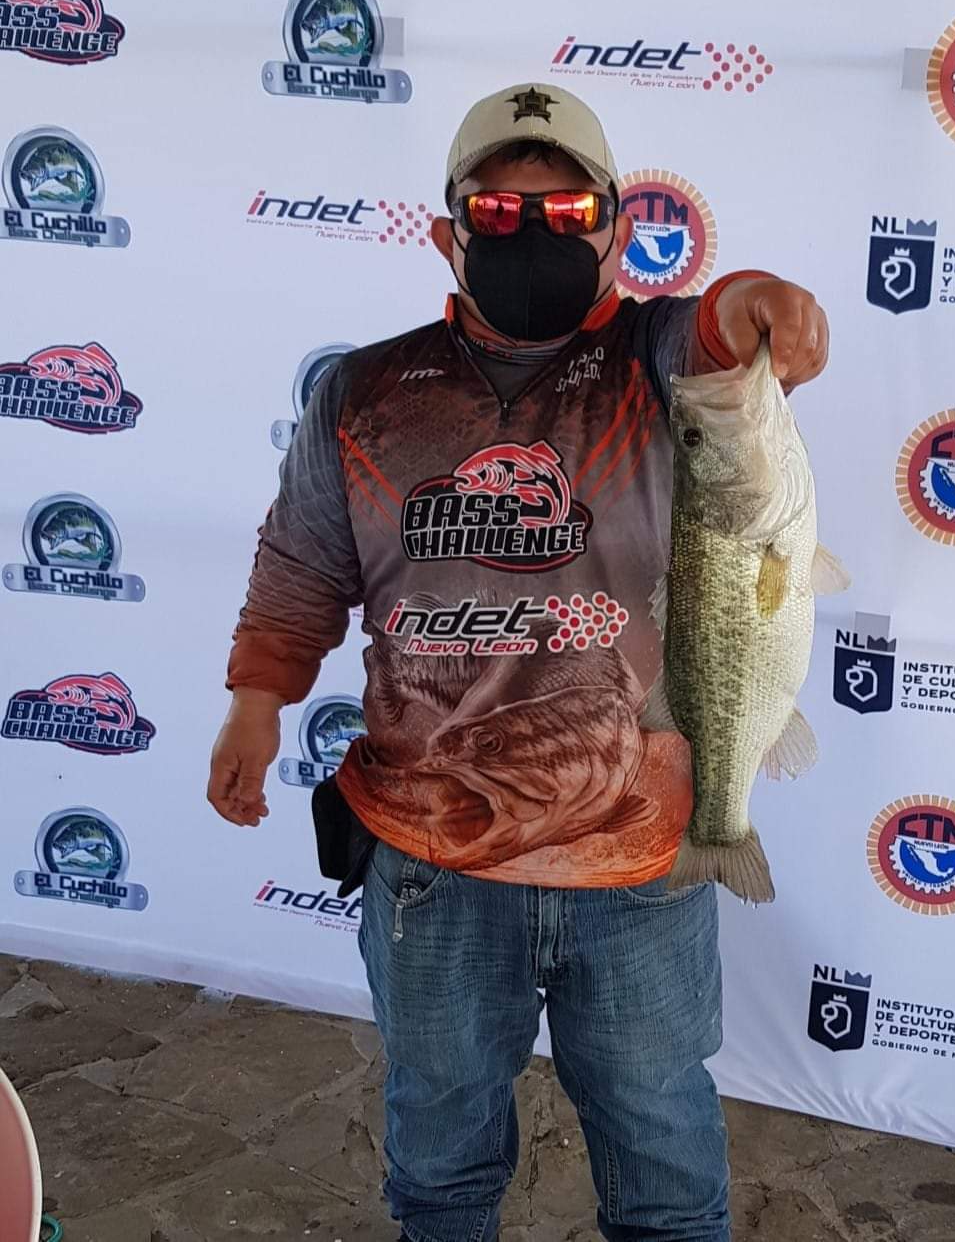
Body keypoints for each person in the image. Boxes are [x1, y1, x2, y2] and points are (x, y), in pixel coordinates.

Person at [207, 82, 829, 1242]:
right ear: (446, 232)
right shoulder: (362, 390)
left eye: (567, 210)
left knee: (663, 1165)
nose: (531, 231)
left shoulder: (657, 362)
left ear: (617, 230)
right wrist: (256, 701)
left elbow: (722, 325)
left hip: (642, 862)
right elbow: (300, 562)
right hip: (432, 860)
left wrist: (764, 304)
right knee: (440, 1162)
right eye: (496, 211)